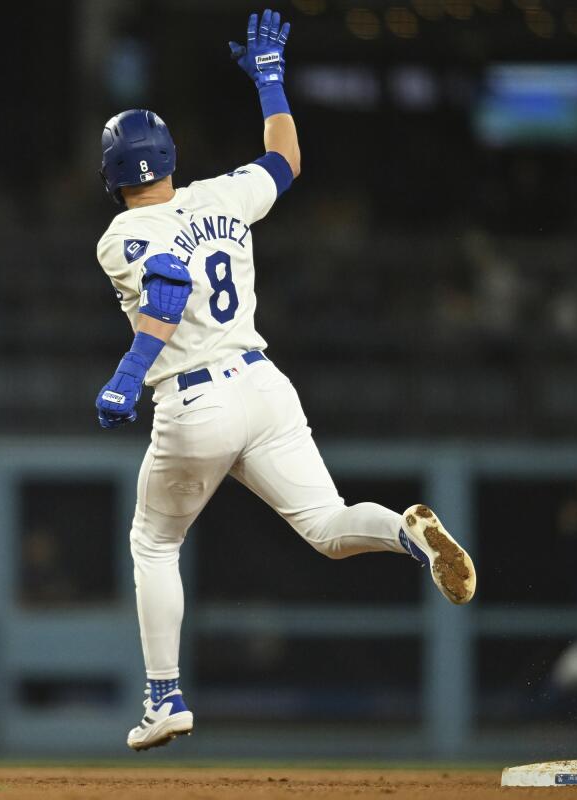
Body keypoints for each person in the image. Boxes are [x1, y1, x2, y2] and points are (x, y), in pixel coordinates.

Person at [93, 9, 477, 752]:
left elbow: (168, 288)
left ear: (110, 174)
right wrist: (270, 82)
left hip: (194, 399)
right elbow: (287, 162)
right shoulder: (221, 196)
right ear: (171, 154)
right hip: (265, 385)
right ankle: (406, 531)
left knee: (154, 544)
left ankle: (165, 699)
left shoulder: (119, 234)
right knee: (331, 529)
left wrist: (126, 375)